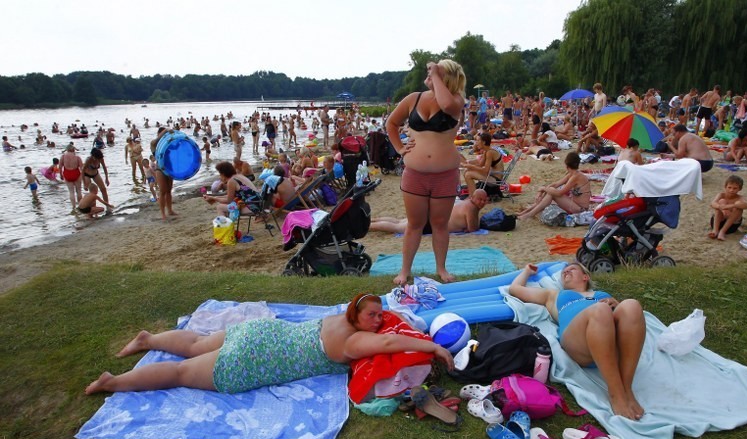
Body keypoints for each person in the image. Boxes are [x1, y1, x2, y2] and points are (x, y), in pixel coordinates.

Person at [84, 293, 454, 396]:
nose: (379, 319)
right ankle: (113, 382)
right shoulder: (357, 341)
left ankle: (148, 339)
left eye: (379, 315)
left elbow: (386, 326)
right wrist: (433, 348)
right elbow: (388, 344)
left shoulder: (341, 315)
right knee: (181, 373)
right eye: (373, 316)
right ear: (359, 320)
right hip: (255, 358)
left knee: (196, 343)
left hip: (262, 332)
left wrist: (392, 317)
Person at [509, 263, 645, 420]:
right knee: (600, 310)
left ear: (585, 277)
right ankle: (616, 393)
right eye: (564, 271)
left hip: (610, 344)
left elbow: (629, 326)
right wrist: (527, 271)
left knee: (631, 305)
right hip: (579, 341)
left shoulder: (602, 294)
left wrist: (616, 305)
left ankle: (627, 388)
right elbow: (515, 289)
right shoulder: (555, 295)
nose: (566, 270)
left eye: (572, 269)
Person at [386, 59, 466, 285]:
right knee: (414, 224)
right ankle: (404, 271)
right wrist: (400, 148)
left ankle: (441, 269)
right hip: (415, 173)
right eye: (431, 71)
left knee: (440, 224)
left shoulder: (457, 100)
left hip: (445, 174)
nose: (430, 73)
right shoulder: (414, 98)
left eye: (437, 72)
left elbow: (448, 106)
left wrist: (437, 76)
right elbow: (391, 124)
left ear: (447, 77)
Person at [371, 189, 489, 234]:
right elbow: (473, 228)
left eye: (484, 200)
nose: (482, 203)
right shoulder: (472, 208)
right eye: (479, 199)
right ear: (473, 198)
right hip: (432, 223)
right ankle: (369, 226)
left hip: (431, 215)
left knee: (398, 222)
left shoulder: (466, 202)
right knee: (397, 228)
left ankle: (372, 220)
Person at [517, 151, 591, 221]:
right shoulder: (572, 174)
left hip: (580, 210)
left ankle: (528, 215)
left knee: (551, 193)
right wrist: (541, 191)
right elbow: (556, 184)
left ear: (566, 165)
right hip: (575, 205)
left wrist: (543, 188)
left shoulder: (576, 177)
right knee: (550, 191)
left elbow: (559, 193)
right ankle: (525, 212)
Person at [709, 174, 747, 241]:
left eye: (735, 188)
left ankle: (722, 232)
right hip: (717, 222)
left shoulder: (740, 198)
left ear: (740, 189)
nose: (731, 190)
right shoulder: (721, 195)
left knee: (738, 206)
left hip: (731, 226)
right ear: (725, 187)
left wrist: (731, 206)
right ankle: (715, 231)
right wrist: (721, 207)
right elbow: (712, 203)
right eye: (729, 187)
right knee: (721, 201)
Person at [151, 127, 177, 221]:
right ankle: (163, 214)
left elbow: (177, 147)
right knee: (162, 191)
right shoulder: (154, 144)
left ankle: (170, 210)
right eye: (162, 134)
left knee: (169, 190)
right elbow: (155, 141)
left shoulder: (168, 143)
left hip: (169, 168)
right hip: (159, 169)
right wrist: (165, 131)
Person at [59, 144, 83, 210]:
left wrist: (61, 175)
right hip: (76, 173)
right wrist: (83, 177)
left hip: (67, 173)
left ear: (67, 149)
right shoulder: (77, 157)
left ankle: (73, 207)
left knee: (71, 192)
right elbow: (82, 168)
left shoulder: (63, 157)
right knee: (79, 191)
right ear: (73, 150)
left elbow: (60, 166)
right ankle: (80, 205)